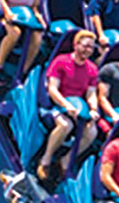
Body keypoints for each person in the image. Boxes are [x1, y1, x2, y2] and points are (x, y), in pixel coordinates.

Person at [35, 29, 100, 184]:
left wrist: (93, 109)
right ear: (75, 45)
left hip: (78, 108)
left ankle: (65, 161)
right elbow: (52, 89)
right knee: (65, 125)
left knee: (92, 132)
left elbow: (91, 93)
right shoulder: (61, 61)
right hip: (57, 105)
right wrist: (66, 105)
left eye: (90, 48)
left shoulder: (92, 69)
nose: (87, 50)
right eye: (84, 46)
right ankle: (45, 160)